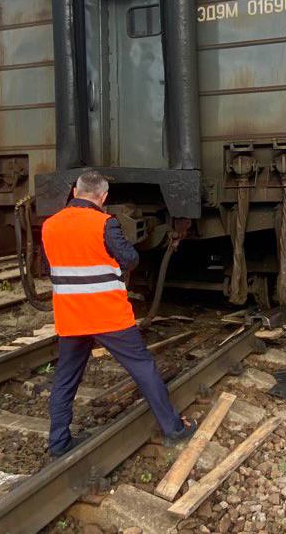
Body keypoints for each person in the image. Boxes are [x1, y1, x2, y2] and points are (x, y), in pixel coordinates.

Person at [41, 170, 197, 457]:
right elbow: (131, 258)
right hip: (107, 314)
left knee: (65, 379)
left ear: (75, 192)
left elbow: (46, 264)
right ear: (103, 197)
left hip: (71, 315)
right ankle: (174, 429)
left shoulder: (50, 225)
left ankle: (59, 443)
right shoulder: (105, 224)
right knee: (143, 368)